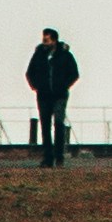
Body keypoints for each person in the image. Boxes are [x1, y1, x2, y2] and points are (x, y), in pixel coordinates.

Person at [25, 25, 80, 168]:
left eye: (47, 40)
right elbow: (29, 72)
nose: (44, 42)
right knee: (45, 126)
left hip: (59, 95)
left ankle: (59, 156)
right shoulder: (38, 55)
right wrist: (35, 86)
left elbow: (74, 73)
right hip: (43, 96)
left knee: (59, 124)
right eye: (43, 39)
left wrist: (64, 85)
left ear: (54, 40)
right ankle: (47, 158)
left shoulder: (65, 55)